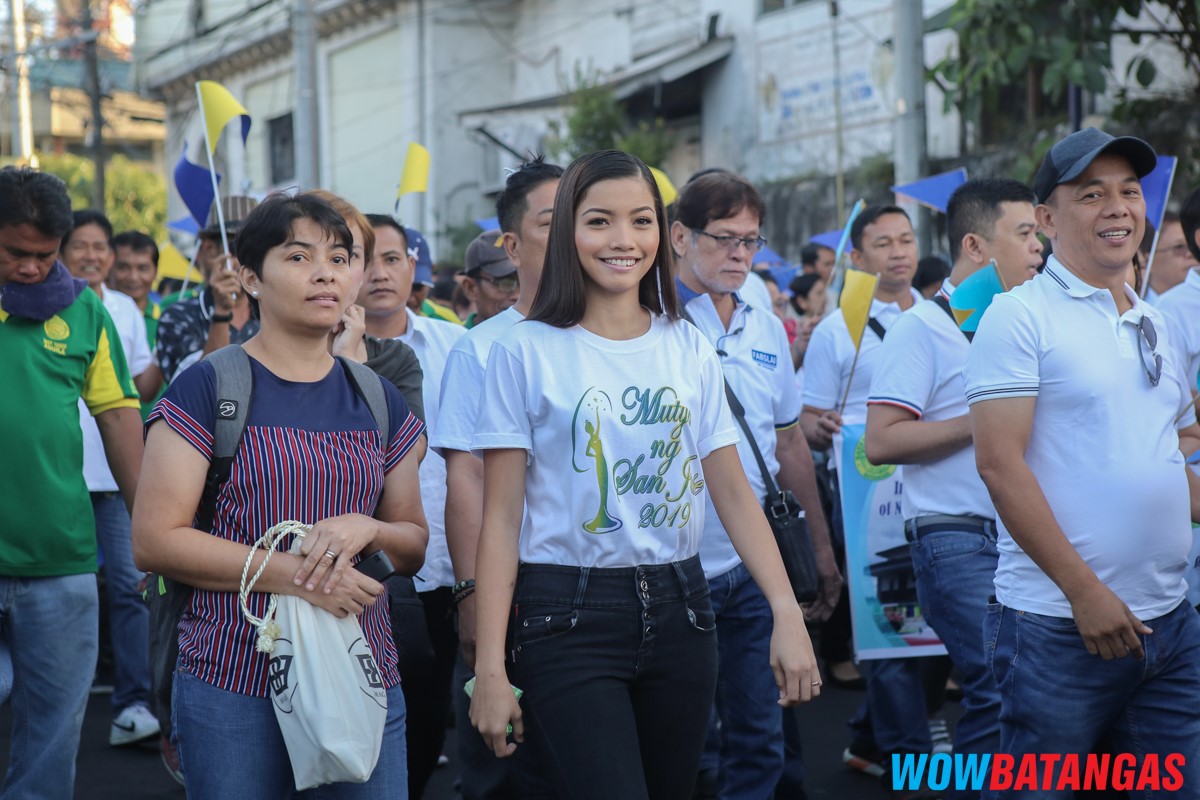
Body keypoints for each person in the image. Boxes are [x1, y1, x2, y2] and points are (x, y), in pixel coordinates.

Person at [468, 149, 819, 800]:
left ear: (663, 234)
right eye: (599, 221)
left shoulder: (686, 343)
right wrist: (490, 665)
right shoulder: (521, 352)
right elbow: (499, 517)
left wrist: (784, 612)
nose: (623, 240)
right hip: (563, 617)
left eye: (641, 221)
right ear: (569, 231)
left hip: (684, 611)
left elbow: (733, 492)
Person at [131, 192, 428, 798]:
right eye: (298, 256)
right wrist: (298, 575)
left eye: (342, 258)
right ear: (249, 277)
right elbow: (155, 541)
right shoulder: (210, 386)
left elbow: (413, 541)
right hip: (233, 678)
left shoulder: (377, 396)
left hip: (360, 670)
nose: (326, 273)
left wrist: (365, 528)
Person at [964, 128, 1200, 798]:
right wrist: (1085, 593)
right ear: (1047, 218)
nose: (1118, 207)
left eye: (1130, 191)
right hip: (1057, 629)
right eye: (1091, 194)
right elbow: (1000, 466)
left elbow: (1160, 455)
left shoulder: (1155, 321)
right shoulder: (1018, 316)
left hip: (1171, 625)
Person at [864, 178, 1043, 800]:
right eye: (1024, 234)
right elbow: (881, 441)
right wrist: (986, 417)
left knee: (1026, 696)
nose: (1039, 248)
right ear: (975, 244)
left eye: (1039, 234)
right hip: (957, 539)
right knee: (997, 689)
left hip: (1027, 538)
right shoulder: (924, 329)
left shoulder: (1026, 324)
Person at [671, 170, 839, 799]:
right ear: (679, 237)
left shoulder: (765, 320)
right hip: (675, 569)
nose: (740, 254)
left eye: (751, 240)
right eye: (725, 239)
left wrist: (820, 551)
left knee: (759, 737)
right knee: (685, 746)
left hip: (754, 564)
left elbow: (789, 444)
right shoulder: (646, 319)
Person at [0, 166, 143, 797]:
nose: (32, 269)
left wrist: (152, 527)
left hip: (60, 557)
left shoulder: (85, 310)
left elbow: (118, 417)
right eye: (15, 253)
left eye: (44, 255)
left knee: (52, 739)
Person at [431, 155, 562, 800]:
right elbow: (469, 483)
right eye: (552, 219)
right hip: (520, 589)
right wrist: (473, 598)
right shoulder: (482, 347)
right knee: (500, 765)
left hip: (608, 596)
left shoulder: (638, 336)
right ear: (512, 244)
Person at [798, 205, 935, 793]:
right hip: (864, 500)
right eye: (884, 243)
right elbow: (802, 420)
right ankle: (909, 756)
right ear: (858, 257)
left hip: (932, 491)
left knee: (937, 627)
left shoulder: (941, 317)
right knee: (890, 625)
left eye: (906, 240)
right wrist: (821, 426)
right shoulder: (839, 330)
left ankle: (869, 735)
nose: (900, 252)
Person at [361, 212, 465, 798]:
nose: (379, 273)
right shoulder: (312, 349)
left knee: (426, 713)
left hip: (444, 565)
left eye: (393, 258)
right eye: (365, 258)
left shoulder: (456, 345)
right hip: (358, 569)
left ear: (412, 268)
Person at [60, 210, 162, 748]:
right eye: (83, 245)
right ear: (62, 248)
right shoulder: (44, 302)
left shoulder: (122, 307)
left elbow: (137, 385)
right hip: (60, 475)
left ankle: (133, 704)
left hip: (114, 474)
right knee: (62, 590)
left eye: (101, 246)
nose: (94, 255)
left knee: (129, 587)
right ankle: (56, 704)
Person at [155, 197, 261, 384]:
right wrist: (221, 313)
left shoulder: (275, 312)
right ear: (210, 249)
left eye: (259, 248)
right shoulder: (178, 317)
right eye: (238, 248)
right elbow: (200, 387)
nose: (249, 259)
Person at [461, 230, 519, 328]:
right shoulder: (454, 341)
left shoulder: (544, 340)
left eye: (527, 283)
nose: (518, 295)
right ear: (470, 288)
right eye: (505, 283)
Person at [406, 228, 462, 325]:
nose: (410, 298)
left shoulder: (447, 322)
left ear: (431, 271)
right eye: (402, 287)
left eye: (418, 287)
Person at [1145, 211, 1193, 303]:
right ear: (1148, 261)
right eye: (1179, 247)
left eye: (1193, 246)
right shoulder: (1135, 310)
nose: (1191, 253)